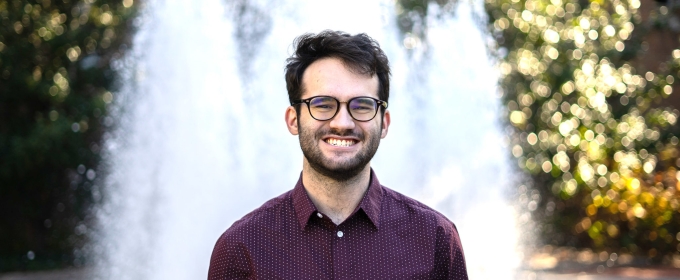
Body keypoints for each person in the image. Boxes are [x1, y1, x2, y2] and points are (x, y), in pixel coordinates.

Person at [208, 30, 468, 279]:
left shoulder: (435, 240)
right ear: (293, 120)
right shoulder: (242, 249)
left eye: (362, 105)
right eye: (322, 104)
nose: (342, 123)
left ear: (384, 123)